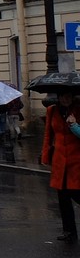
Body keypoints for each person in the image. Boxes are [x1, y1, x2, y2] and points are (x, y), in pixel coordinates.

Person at [41, 90, 80, 243]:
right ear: (58, 97)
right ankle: (69, 230)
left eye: (69, 96)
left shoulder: (78, 109)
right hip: (59, 160)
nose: (66, 99)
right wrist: (45, 155)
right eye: (63, 96)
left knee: (76, 192)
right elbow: (48, 134)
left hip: (76, 159)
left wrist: (74, 124)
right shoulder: (52, 110)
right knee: (63, 197)